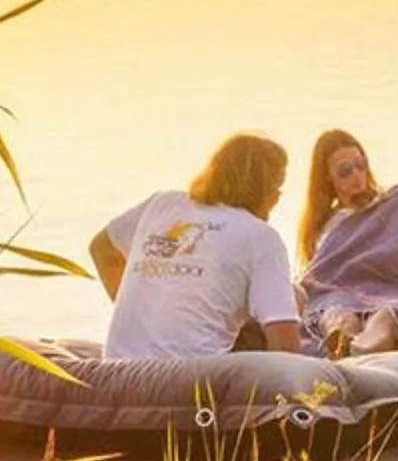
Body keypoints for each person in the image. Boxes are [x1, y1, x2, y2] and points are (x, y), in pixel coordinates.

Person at [90, 132, 303, 359]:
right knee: (295, 296)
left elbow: (101, 248)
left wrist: (137, 315)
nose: (278, 197)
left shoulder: (161, 204)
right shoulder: (260, 236)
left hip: (118, 367)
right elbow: (283, 340)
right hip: (191, 374)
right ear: (265, 190)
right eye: (277, 188)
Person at [296, 130, 398, 357]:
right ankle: (341, 344)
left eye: (361, 165)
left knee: (384, 315)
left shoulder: (394, 202)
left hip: (389, 287)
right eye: (345, 171)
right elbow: (324, 270)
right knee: (336, 314)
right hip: (338, 292)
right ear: (327, 177)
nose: (357, 175)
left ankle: (360, 351)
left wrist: (374, 262)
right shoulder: (326, 224)